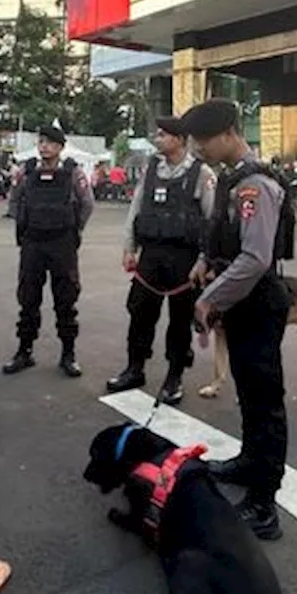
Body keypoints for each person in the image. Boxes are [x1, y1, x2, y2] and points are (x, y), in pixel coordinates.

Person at [181, 98, 292, 541]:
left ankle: (264, 503)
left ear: (229, 132)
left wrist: (208, 299)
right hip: (239, 298)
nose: (199, 148)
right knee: (248, 392)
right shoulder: (232, 180)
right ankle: (249, 461)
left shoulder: (256, 186)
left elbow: (254, 258)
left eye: (203, 139)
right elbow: (225, 238)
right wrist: (204, 260)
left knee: (265, 402)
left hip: (258, 299)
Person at [107, 116, 216, 404]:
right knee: (139, 315)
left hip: (185, 260)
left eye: (164, 135)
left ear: (180, 140)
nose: (158, 139)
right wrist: (129, 248)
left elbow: (211, 222)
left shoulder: (201, 174)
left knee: (180, 322)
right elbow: (136, 208)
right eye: (157, 134)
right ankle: (135, 368)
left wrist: (204, 261)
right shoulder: (152, 169)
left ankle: (174, 377)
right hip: (151, 257)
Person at [2, 125, 95, 377]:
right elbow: (14, 198)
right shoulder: (26, 170)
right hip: (33, 242)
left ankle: (68, 354)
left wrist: (75, 229)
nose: (44, 147)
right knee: (28, 298)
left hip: (61, 243)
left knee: (65, 300)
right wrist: (23, 221)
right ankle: (24, 351)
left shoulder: (72, 172)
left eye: (50, 143)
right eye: (41, 142)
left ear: (60, 147)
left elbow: (87, 203)